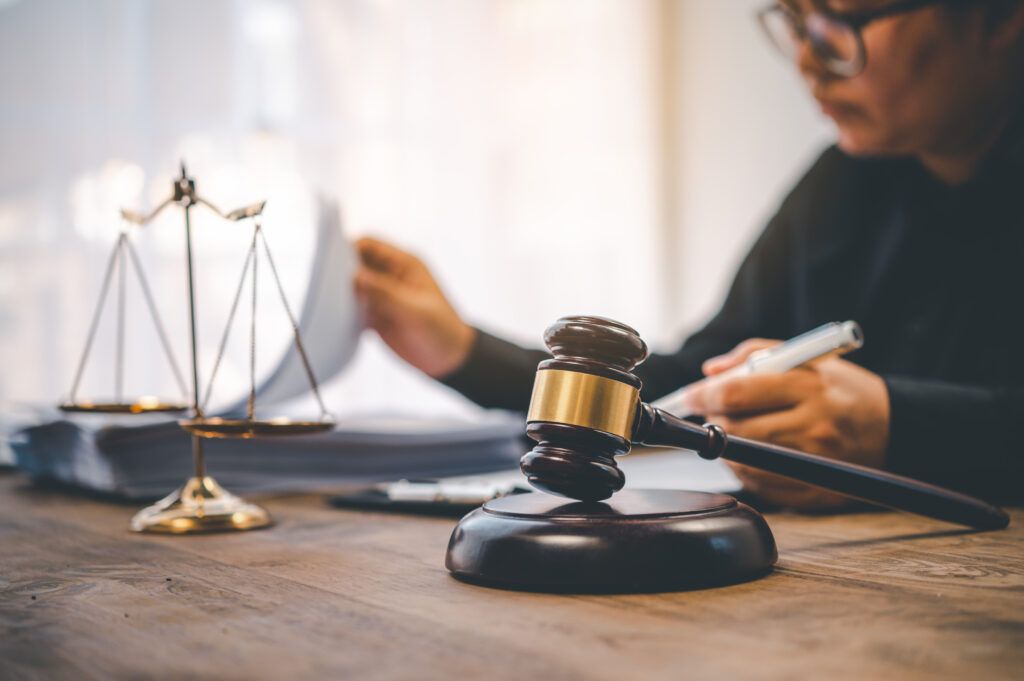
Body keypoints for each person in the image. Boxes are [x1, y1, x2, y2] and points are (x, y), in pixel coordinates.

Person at [355, 0, 1024, 507]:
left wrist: (896, 428)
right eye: (794, 17)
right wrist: (459, 350)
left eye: (837, 23)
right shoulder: (847, 183)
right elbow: (690, 383)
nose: (807, 60)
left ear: (998, 20)